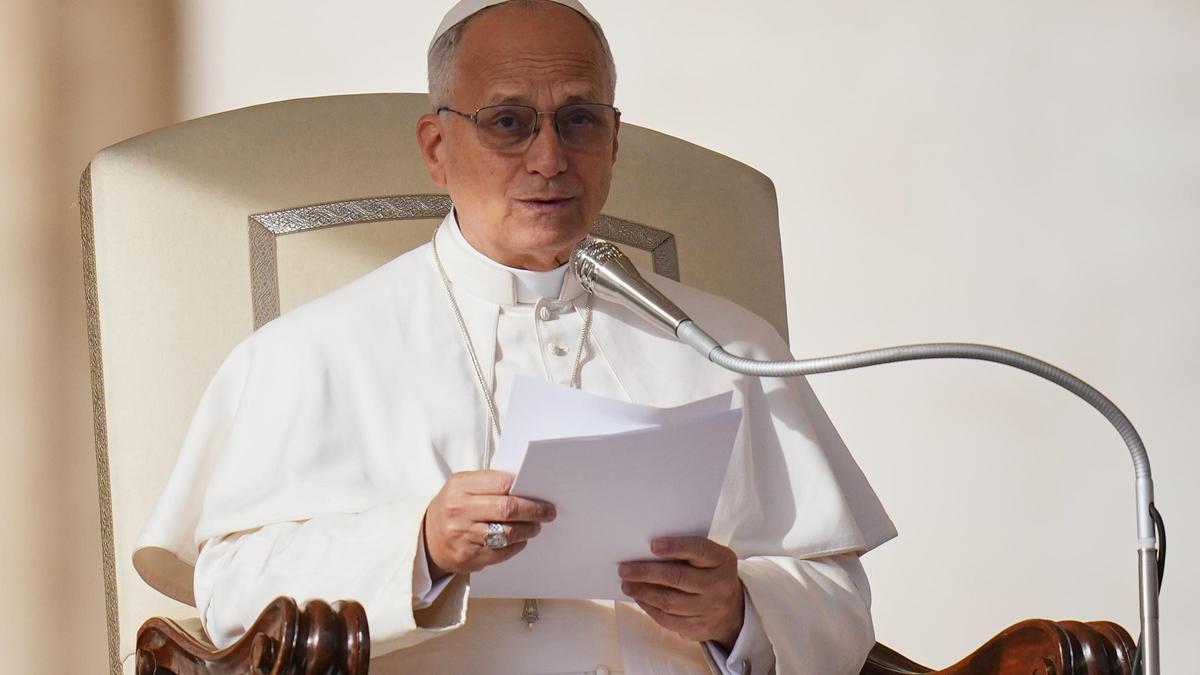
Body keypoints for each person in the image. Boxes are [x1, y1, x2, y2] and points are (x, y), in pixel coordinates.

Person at [135, 1, 897, 672]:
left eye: (578, 120)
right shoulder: (311, 352)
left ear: (614, 140)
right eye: (509, 122)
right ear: (437, 148)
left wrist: (737, 612)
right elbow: (231, 593)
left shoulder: (729, 346)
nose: (549, 158)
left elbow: (839, 602)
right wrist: (421, 547)